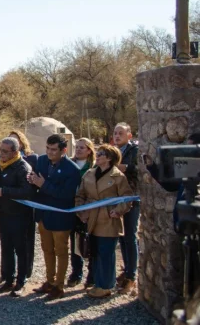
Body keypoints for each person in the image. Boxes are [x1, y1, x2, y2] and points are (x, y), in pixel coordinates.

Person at [76, 144, 133, 298]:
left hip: (108, 219)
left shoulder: (118, 177)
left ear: (109, 158)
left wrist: (118, 211)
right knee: (94, 252)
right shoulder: (89, 173)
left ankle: (105, 286)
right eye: (98, 153)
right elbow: (80, 194)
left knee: (106, 253)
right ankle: (97, 282)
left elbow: (127, 198)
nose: (98, 155)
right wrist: (81, 211)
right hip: (91, 218)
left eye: (101, 154)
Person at [29, 134, 81, 300]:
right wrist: (31, 181)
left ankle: (59, 285)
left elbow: (66, 195)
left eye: (54, 150)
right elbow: (35, 181)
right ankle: (49, 281)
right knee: (47, 250)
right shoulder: (42, 161)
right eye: (48, 148)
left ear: (63, 150)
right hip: (43, 215)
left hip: (60, 216)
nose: (50, 152)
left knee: (61, 251)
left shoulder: (72, 169)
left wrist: (42, 184)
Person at [0, 137, 35, 298]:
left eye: (5, 151)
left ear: (15, 152)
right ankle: (8, 279)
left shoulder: (23, 167)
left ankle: (21, 281)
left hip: (20, 216)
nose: (1, 153)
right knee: (6, 248)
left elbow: (27, 191)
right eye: (0, 149)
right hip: (4, 214)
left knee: (21, 250)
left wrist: (4, 191)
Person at [113, 122, 139, 294]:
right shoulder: (113, 152)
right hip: (117, 198)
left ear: (129, 135)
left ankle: (132, 276)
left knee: (130, 235)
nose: (117, 136)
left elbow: (141, 169)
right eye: (115, 133)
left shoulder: (134, 151)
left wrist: (127, 167)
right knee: (121, 236)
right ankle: (126, 270)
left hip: (131, 199)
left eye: (120, 133)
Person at [9, 129, 39, 279]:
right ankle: (8, 273)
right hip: (10, 206)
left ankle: (26, 271)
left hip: (26, 205)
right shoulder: (3, 160)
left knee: (27, 241)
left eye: (16, 140)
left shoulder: (32, 159)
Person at [67, 138, 96, 288]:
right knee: (75, 242)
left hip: (90, 209)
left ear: (89, 150)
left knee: (91, 242)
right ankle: (76, 273)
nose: (78, 150)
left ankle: (92, 275)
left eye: (82, 148)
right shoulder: (69, 164)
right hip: (73, 208)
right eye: (77, 147)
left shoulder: (95, 167)